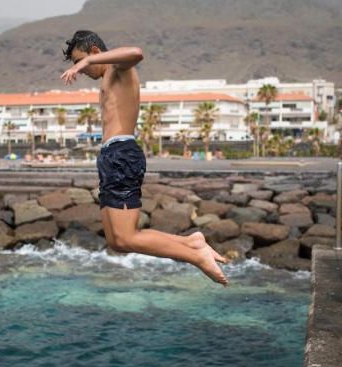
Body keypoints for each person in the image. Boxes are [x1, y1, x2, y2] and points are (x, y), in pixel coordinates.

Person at [61, 30, 228, 285]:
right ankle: (190, 243)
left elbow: (137, 52)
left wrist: (88, 61)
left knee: (128, 237)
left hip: (122, 156)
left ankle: (196, 257)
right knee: (117, 241)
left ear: (95, 52)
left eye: (79, 61)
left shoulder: (119, 69)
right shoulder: (108, 77)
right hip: (110, 158)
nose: (80, 69)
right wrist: (88, 62)